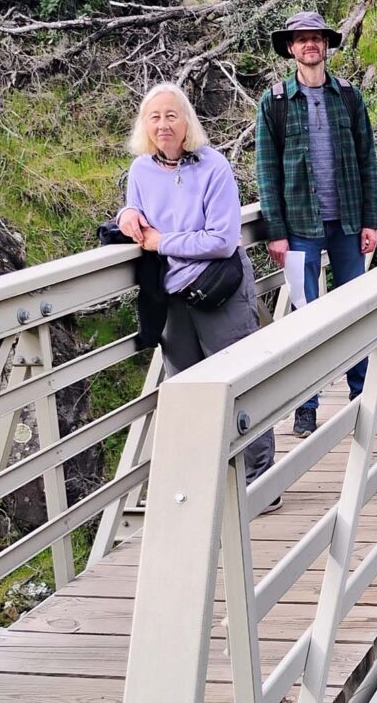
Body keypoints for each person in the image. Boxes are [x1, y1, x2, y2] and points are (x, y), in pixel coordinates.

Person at [117, 83, 278, 508]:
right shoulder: (141, 171)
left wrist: (161, 242)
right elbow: (136, 214)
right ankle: (200, 486)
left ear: (187, 120)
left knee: (239, 383)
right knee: (186, 392)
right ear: (144, 126)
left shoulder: (214, 167)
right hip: (173, 297)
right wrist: (127, 214)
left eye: (172, 115)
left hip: (220, 286)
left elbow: (223, 240)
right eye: (155, 117)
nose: (163, 125)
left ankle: (260, 483)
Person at [255, 11, 377, 437]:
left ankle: (362, 394)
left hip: (347, 222)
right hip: (299, 226)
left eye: (317, 38)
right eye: (301, 39)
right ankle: (305, 407)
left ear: (327, 46)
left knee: (354, 309)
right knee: (303, 315)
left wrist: (371, 220)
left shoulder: (348, 96)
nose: (310, 44)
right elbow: (266, 170)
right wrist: (275, 230)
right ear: (290, 48)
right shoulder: (273, 102)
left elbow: (368, 160)